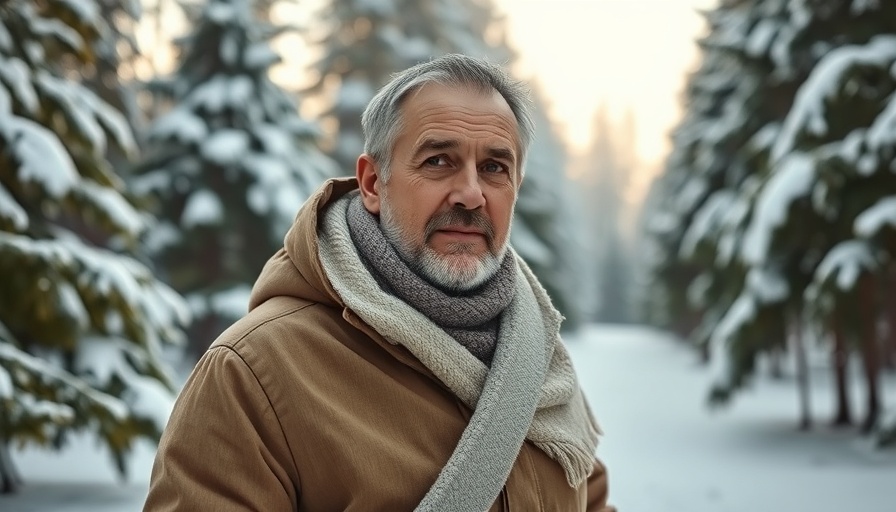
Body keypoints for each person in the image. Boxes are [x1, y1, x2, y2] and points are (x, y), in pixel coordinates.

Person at [144, 53, 616, 512]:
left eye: (494, 168)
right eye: (438, 161)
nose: (471, 194)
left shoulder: (537, 354)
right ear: (372, 183)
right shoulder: (253, 373)